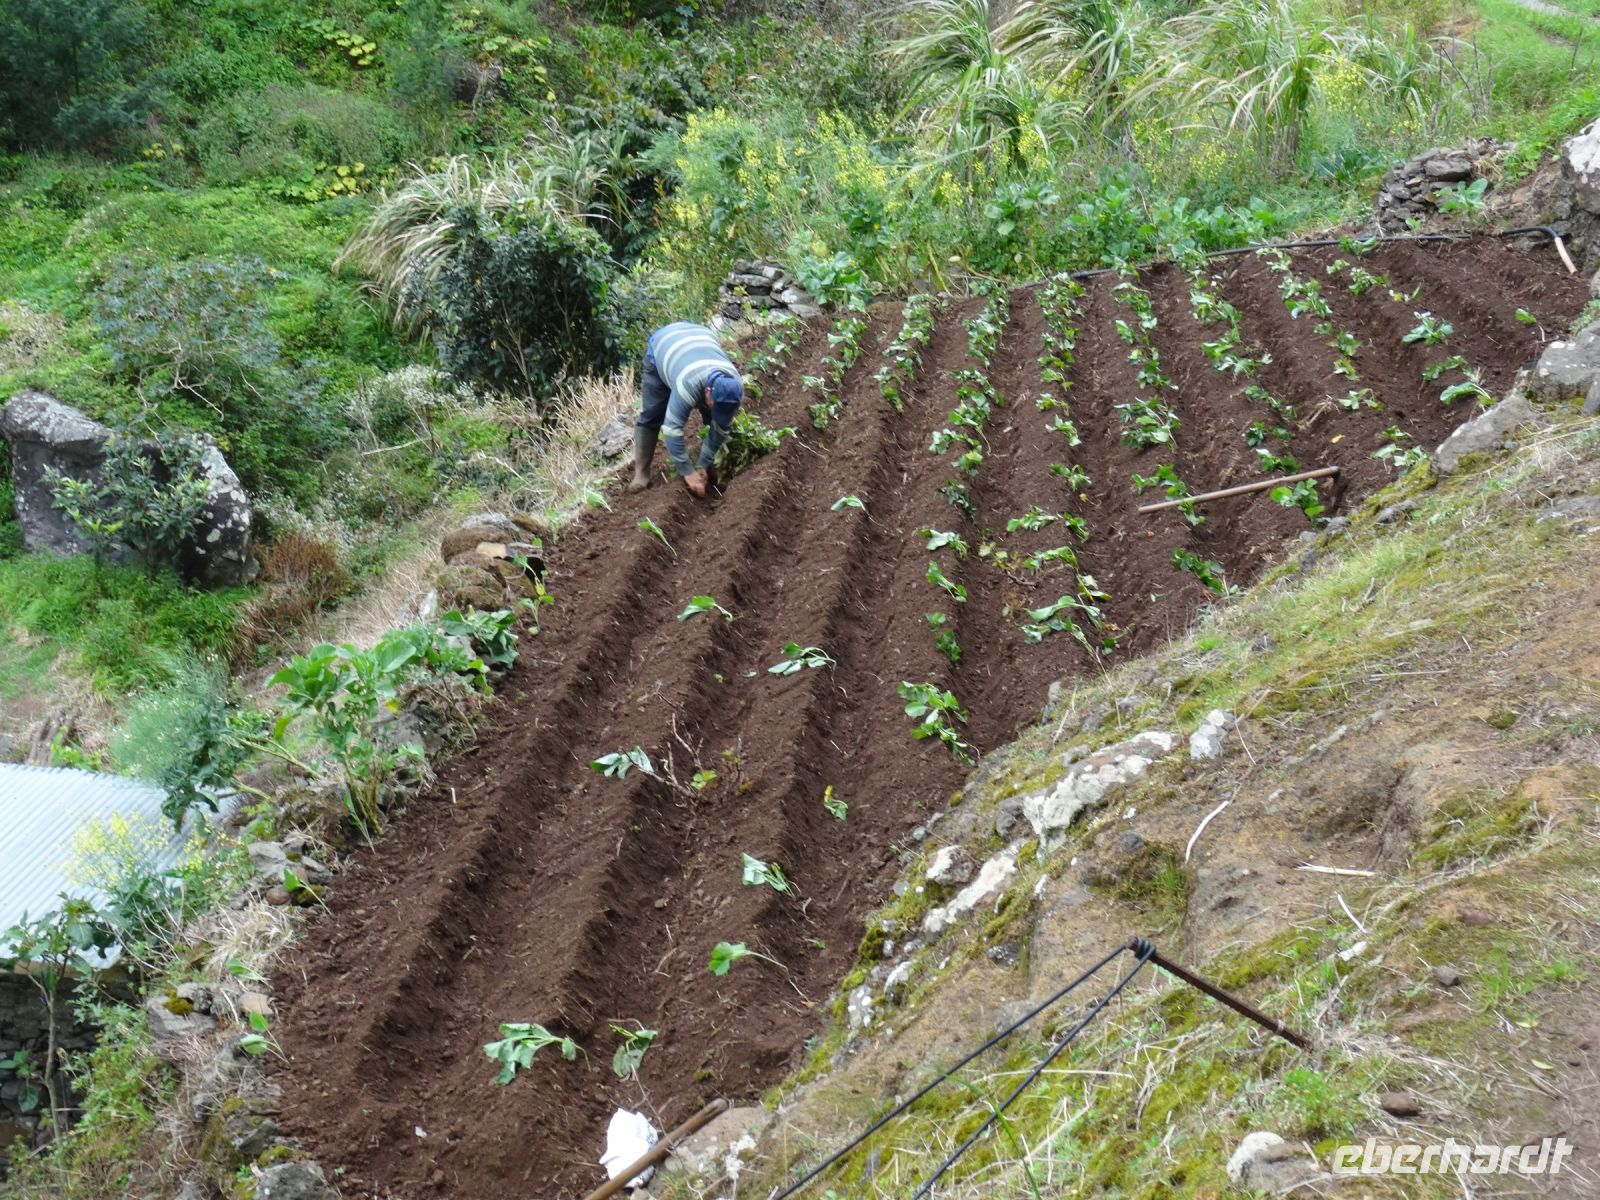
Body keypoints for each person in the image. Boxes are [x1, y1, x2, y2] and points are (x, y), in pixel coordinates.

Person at [630, 322, 744, 498]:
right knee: (653, 414)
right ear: (708, 392)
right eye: (716, 405)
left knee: (712, 417)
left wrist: (702, 463)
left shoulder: (735, 387)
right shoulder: (688, 384)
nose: (720, 411)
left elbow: (721, 427)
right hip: (663, 346)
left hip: (700, 339)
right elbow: (672, 429)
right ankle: (641, 473)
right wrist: (688, 472)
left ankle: (709, 465)